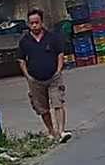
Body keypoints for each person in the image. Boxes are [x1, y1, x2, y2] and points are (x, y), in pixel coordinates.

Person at [16, 8, 71, 142]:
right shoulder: (25, 41)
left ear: (42, 22)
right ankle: (52, 131)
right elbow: (21, 60)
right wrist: (28, 76)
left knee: (57, 102)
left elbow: (60, 54)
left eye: (37, 22)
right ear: (28, 24)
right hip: (35, 80)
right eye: (32, 23)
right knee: (42, 108)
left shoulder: (52, 37)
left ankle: (61, 131)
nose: (34, 25)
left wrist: (58, 70)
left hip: (53, 77)